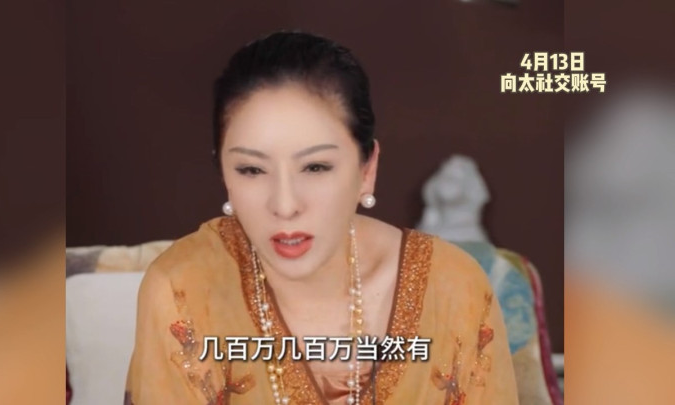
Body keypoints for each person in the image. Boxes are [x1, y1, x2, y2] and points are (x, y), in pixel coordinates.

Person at [124, 31, 518, 405]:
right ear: (225, 174)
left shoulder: (452, 287)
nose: (285, 205)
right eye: (252, 170)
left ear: (367, 169)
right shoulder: (182, 288)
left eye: (315, 167)